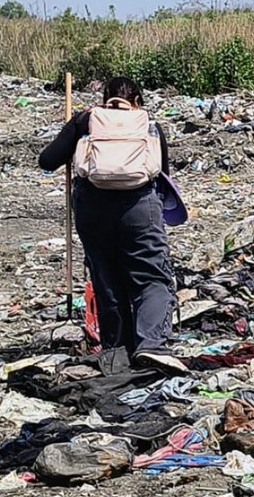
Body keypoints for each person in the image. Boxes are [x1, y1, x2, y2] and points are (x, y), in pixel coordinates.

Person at [39, 77, 179, 370]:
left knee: (106, 281)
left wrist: (76, 128)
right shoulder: (149, 125)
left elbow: (47, 161)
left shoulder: (86, 121)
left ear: (104, 100)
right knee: (151, 278)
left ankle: (117, 352)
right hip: (139, 209)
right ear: (137, 102)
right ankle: (151, 344)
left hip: (93, 209)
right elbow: (162, 177)